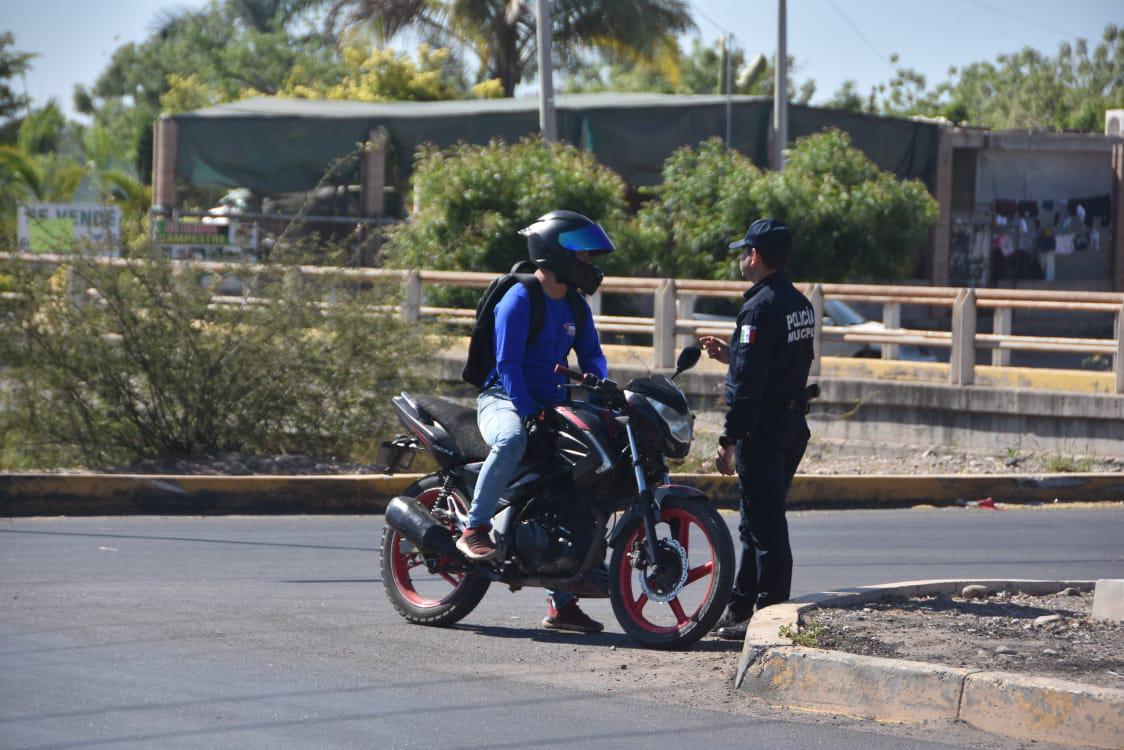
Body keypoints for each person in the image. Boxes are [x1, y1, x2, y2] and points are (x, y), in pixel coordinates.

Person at [456, 209, 614, 634]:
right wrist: (526, 412)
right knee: (510, 442)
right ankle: (474, 527)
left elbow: (592, 355)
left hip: (552, 402)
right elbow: (507, 363)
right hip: (504, 398)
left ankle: (562, 601)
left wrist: (602, 382)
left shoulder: (576, 307)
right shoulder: (520, 298)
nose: (589, 265)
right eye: (581, 257)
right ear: (556, 254)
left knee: (579, 479)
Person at [697, 219, 815, 641]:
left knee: (764, 526)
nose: (741, 259)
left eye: (744, 252)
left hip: (762, 430)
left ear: (756, 257)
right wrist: (733, 355)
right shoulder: (799, 303)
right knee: (755, 520)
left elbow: (747, 387)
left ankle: (769, 615)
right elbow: (777, 366)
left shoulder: (757, 307)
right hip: (791, 424)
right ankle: (740, 604)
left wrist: (728, 439)